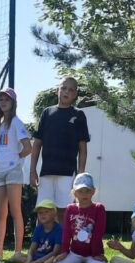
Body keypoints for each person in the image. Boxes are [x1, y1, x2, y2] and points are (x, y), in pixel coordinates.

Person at [29, 77, 91, 208]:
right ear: (57, 90)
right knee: (43, 210)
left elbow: (83, 149)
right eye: (63, 88)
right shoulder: (47, 113)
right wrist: (32, 170)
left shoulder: (79, 115)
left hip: (67, 173)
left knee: (65, 211)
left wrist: (80, 176)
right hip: (46, 172)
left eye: (71, 90)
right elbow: (37, 144)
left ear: (75, 94)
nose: (66, 92)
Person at [0, 87, 31, 261]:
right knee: (1, 214)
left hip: (13, 172)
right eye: (1, 99)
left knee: (15, 211)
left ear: (13, 103)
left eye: (7, 99)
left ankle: (17, 252)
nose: (4, 102)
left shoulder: (16, 123)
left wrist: (15, 158)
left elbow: (28, 148)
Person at [52, 173, 107, 263]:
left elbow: (98, 233)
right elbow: (67, 232)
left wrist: (96, 253)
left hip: (92, 255)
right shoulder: (70, 208)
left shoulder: (99, 208)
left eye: (87, 191)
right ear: (74, 193)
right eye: (80, 191)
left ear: (93, 191)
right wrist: (64, 252)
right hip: (75, 253)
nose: (84, 194)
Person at [12, 199, 62, 263]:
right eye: (40, 213)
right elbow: (32, 249)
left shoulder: (59, 229)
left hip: (48, 258)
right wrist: (29, 259)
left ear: (54, 214)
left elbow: (55, 252)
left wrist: (37, 262)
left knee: (52, 260)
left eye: (46, 212)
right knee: (16, 256)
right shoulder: (38, 228)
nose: (42, 215)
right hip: (36, 256)